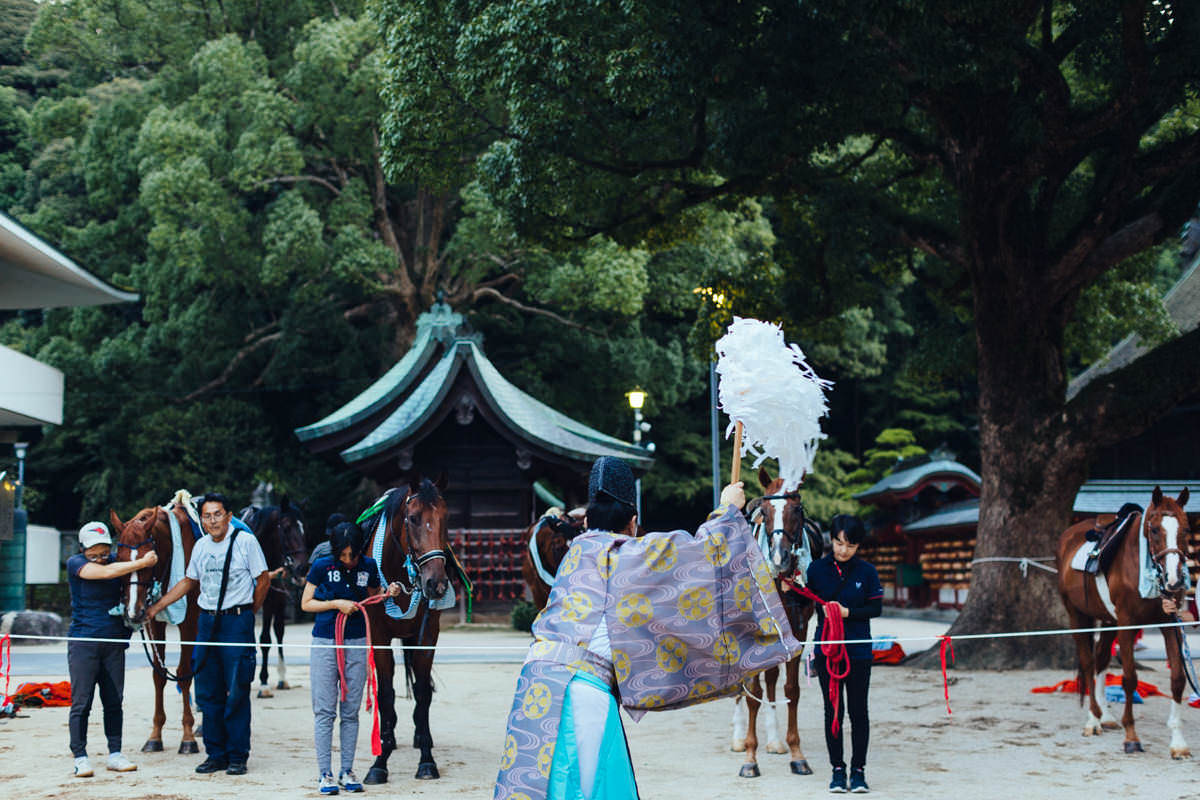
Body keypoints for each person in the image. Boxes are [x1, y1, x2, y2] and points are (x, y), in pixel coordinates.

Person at [494, 457, 802, 800]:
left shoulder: (577, 552)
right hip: (581, 693)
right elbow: (702, 555)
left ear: (588, 522)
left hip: (533, 685)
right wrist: (728, 511)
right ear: (632, 523)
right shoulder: (625, 554)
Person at [148, 492, 269, 776]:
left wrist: (247, 611)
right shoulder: (201, 546)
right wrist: (157, 607)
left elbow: (262, 580)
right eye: (207, 516)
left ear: (229, 516)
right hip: (207, 622)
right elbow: (189, 581)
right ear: (201, 519)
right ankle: (215, 754)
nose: (213, 521)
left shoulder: (245, 542)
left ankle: (237, 755)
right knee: (206, 690)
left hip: (236, 622)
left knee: (237, 689)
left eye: (217, 514)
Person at [301, 521, 402, 795]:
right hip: (325, 641)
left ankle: (347, 769)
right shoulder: (322, 566)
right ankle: (325, 773)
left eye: (352, 555)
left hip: (357, 641)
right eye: (343, 555)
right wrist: (336, 604)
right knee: (325, 711)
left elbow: (375, 597)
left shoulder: (368, 566)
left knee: (350, 711)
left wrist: (389, 593)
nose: (348, 560)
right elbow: (306, 603)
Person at [66, 521, 157, 777]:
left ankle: (115, 753)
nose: (100, 558)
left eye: (105, 552)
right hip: (84, 642)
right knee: (82, 703)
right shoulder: (75, 563)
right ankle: (80, 757)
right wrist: (142, 563)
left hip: (114, 643)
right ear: (82, 549)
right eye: (93, 553)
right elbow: (106, 573)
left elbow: (130, 562)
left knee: (114, 701)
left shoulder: (117, 561)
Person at [806, 514, 883, 794]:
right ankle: (837, 770)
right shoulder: (816, 569)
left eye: (850, 545)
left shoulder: (867, 572)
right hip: (827, 649)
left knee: (859, 711)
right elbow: (803, 600)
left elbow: (876, 609)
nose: (843, 550)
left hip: (859, 650)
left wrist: (847, 613)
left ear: (858, 546)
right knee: (833, 710)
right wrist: (790, 586)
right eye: (839, 543)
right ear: (832, 540)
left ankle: (859, 771)